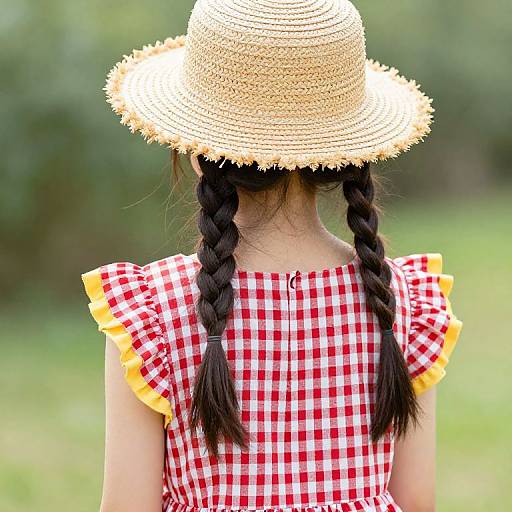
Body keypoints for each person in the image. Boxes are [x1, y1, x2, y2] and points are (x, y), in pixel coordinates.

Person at [81, 1, 463, 511]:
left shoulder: (152, 314)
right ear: (345, 155)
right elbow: (417, 504)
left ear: (196, 151)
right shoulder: (404, 305)